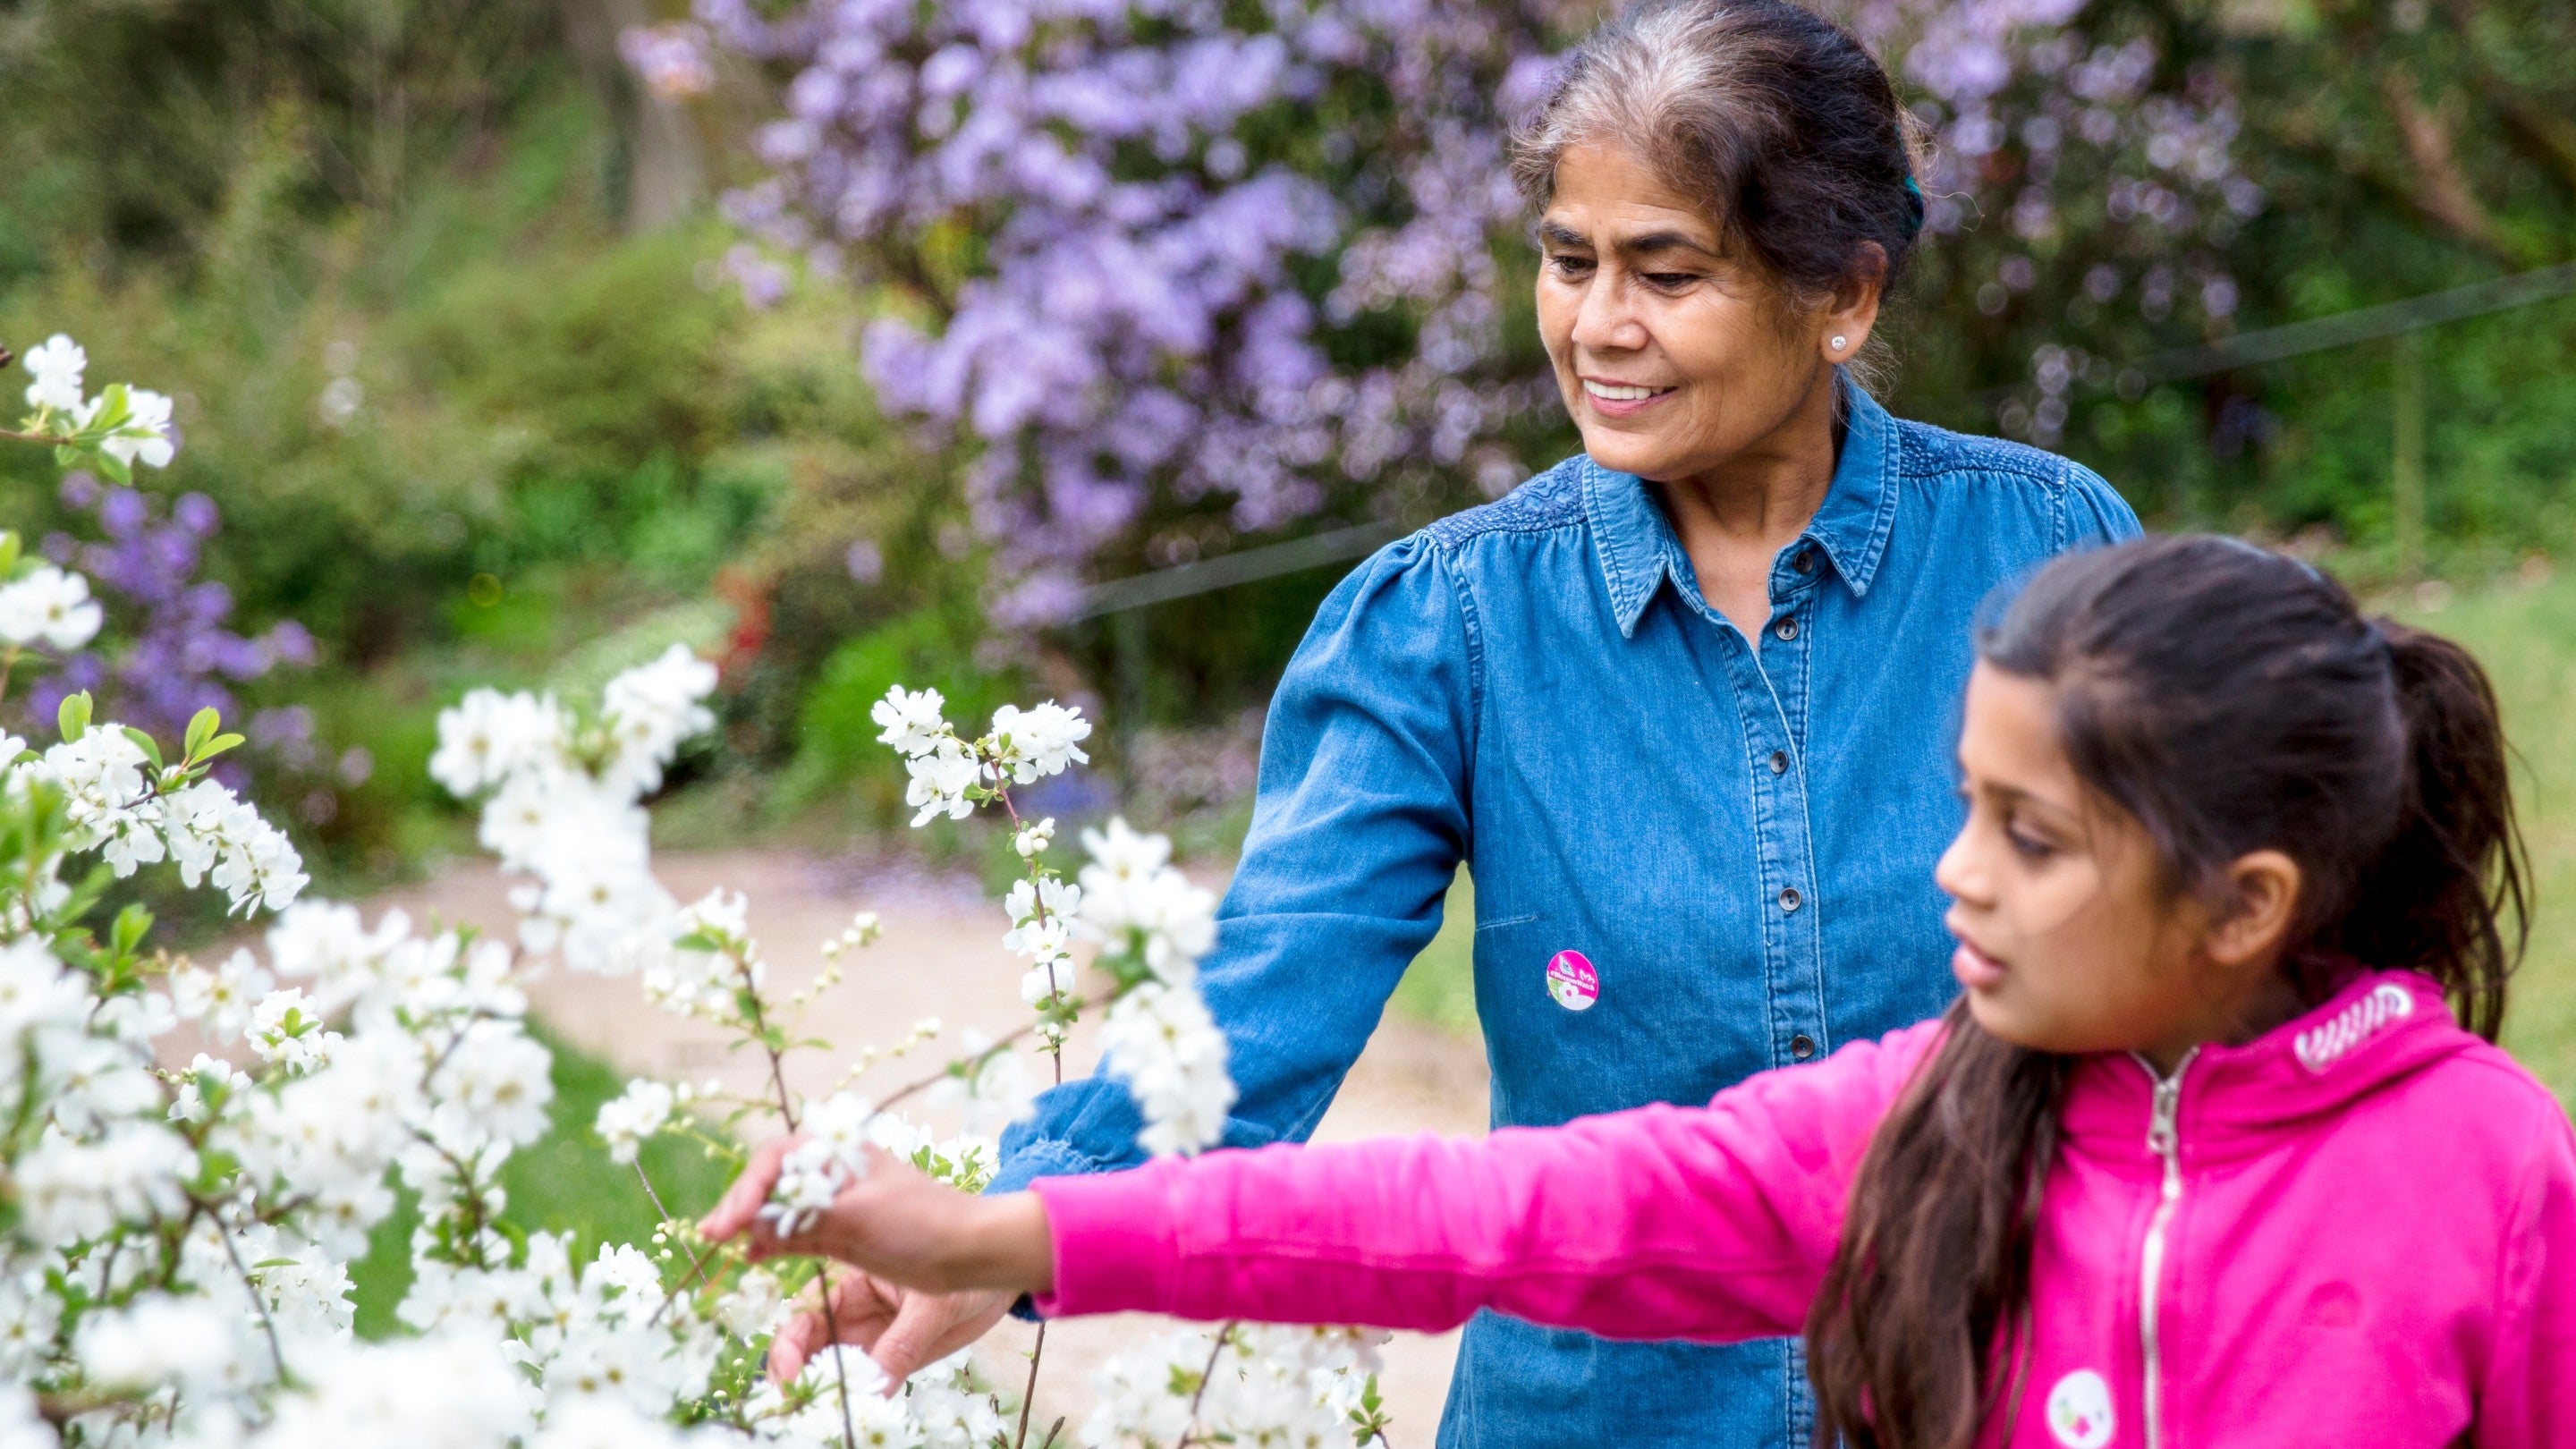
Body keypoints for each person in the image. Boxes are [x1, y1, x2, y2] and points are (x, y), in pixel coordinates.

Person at [771, 2, 2138, 1443]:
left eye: (1667, 272)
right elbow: (1262, 995)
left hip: (2002, 1393)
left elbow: (2162, 992)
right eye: (1570, 261)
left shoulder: (2041, 553)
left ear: (1844, 296)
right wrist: (1004, 1237)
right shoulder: (1446, 621)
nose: (1601, 326)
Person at [709, 535, 2576, 1447]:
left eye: (2028, 834)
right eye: (1964, 810)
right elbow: (1467, 1216)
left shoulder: (2491, 1172)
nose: (1956, 872)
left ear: (2244, 902)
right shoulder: (1920, 1120)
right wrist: (999, 1230)